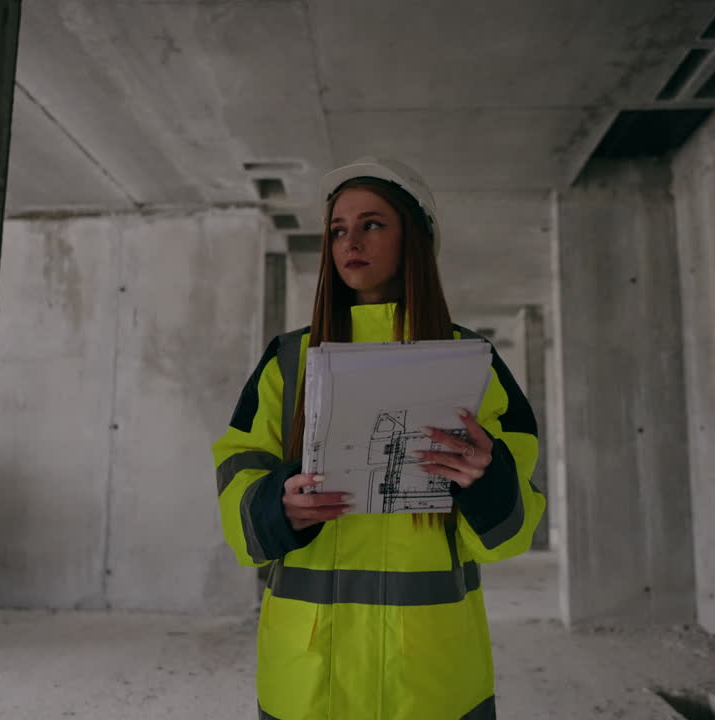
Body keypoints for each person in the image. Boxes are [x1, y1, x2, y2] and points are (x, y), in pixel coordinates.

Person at [212, 157, 545, 720]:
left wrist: (485, 481)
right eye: (338, 230)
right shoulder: (288, 361)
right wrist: (276, 505)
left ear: (414, 238)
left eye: (371, 224)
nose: (350, 242)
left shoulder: (470, 362)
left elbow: (511, 533)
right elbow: (236, 470)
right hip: (309, 675)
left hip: (428, 678)